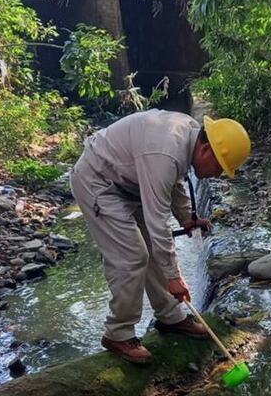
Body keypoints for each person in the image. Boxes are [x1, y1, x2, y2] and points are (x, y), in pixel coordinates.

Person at [70, 110, 251, 363]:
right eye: (220, 168)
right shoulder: (163, 152)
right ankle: (118, 333)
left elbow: (173, 181)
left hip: (130, 184)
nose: (218, 176)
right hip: (99, 182)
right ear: (206, 150)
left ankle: (170, 316)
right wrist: (174, 277)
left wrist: (186, 217)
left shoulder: (186, 135)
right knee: (132, 256)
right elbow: (158, 222)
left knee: (151, 252)